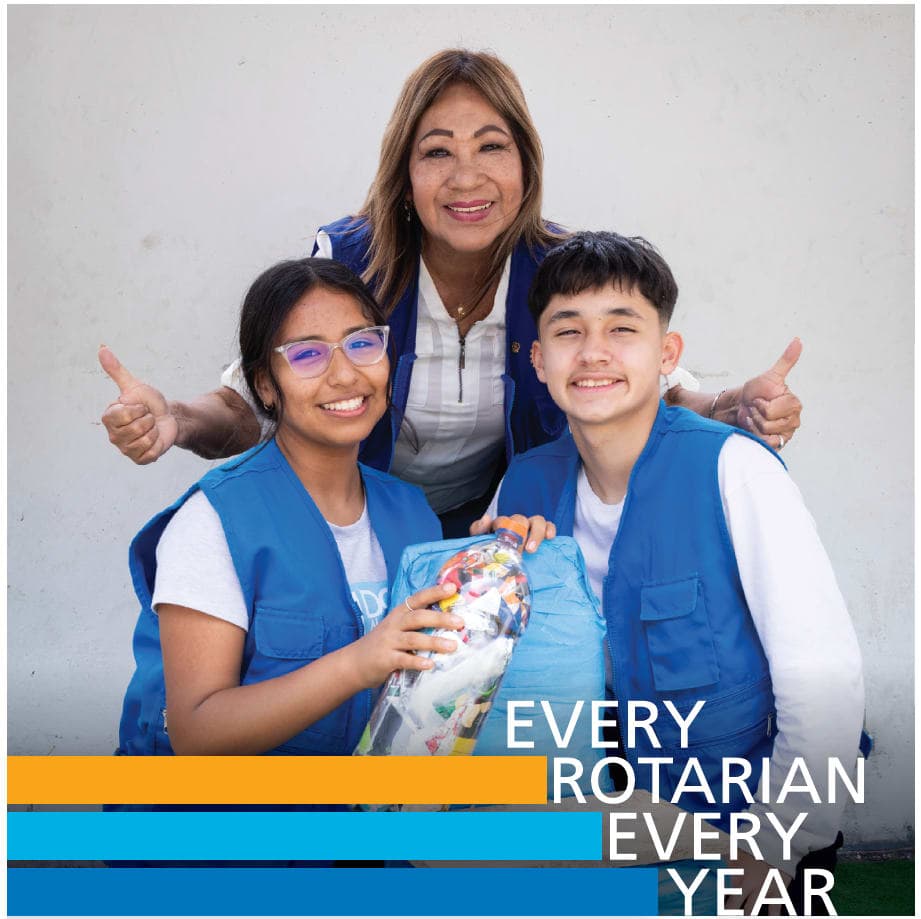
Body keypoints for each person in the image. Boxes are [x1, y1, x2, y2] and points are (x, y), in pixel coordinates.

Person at [98, 49, 803, 536]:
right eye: (437, 152)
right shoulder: (349, 260)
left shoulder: (559, 266)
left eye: (491, 147)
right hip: (348, 518)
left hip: (498, 521)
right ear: (403, 173)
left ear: (525, 164)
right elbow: (253, 406)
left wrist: (729, 407)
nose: (466, 179)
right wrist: (176, 422)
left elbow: (651, 383)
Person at [486, 232, 864, 914]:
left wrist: (770, 846)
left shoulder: (733, 468)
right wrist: (479, 583)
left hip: (742, 822)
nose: (593, 351)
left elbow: (824, 675)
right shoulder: (521, 486)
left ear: (667, 354)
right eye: (567, 331)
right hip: (608, 807)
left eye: (621, 329)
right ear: (539, 362)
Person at [116, 258, 463, 759]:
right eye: (307, 355)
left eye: (363, 343)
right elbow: (196, 732)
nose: (345, 374)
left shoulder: (413, 514)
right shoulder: (215, 521)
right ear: (263, 385)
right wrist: (358, 663)